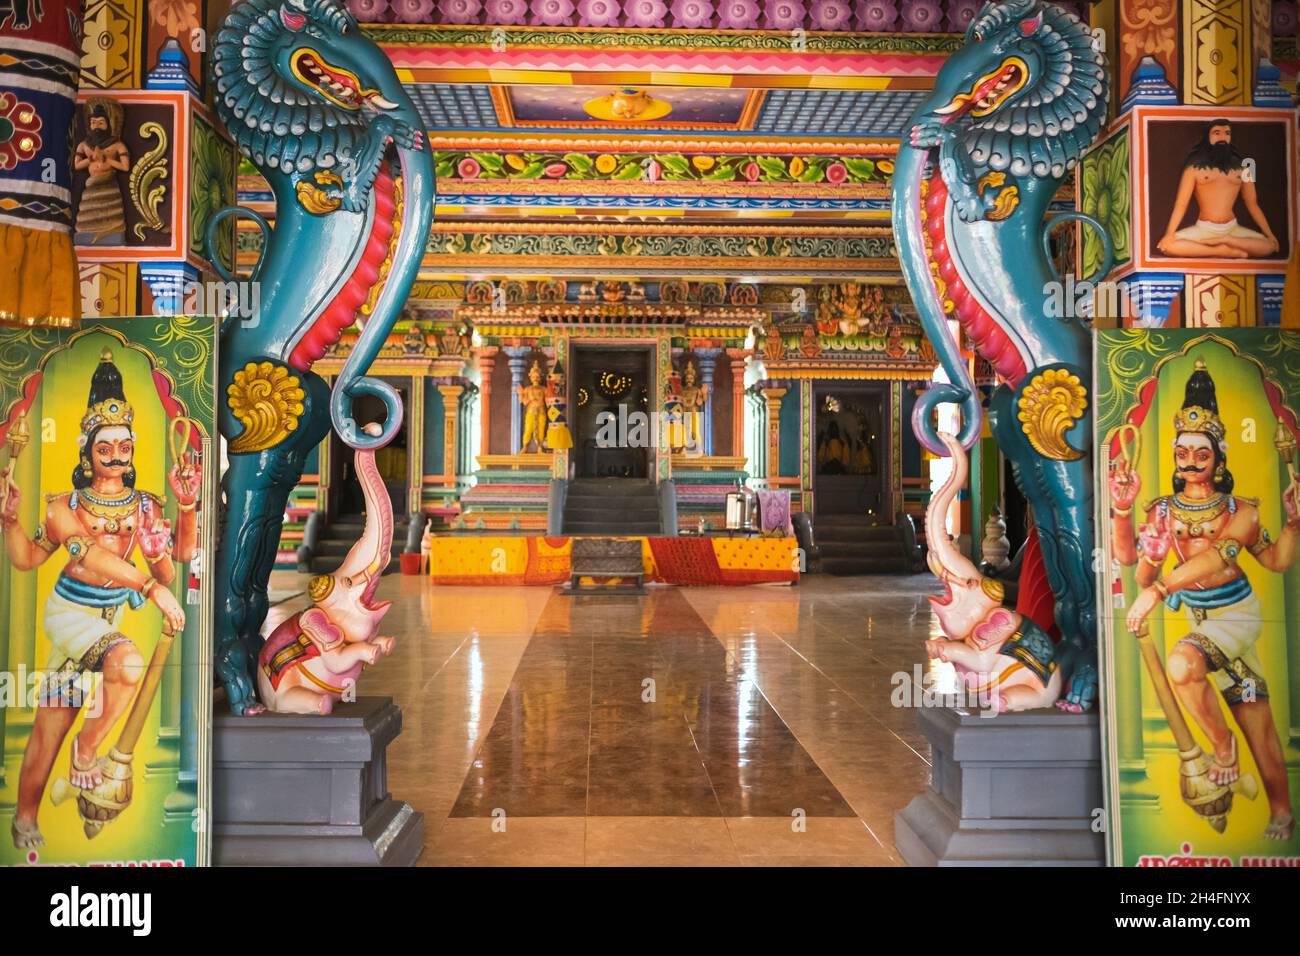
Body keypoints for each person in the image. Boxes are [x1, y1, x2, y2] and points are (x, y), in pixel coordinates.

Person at [1, 349, 198, 849]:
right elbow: (40, 558)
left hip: (105, 619)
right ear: (85, 451)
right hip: (69, 613)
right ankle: (86, 753)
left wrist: (188, 509)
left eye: (123, 445)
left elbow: (173, 563)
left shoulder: (146, 505)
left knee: (50, 721)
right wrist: (8, 523)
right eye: (104, 446)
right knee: (128, 664)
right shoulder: (63, 508)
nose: (115, 455)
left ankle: (26, 816)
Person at [1113, 359, 1297, 840]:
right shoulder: (1163, 509)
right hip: (1202, 620)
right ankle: (1281, 808)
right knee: (1255, 711)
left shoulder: (1242, 511)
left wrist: (1294, 524)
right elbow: (1133, 559)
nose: (1191, 460)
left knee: (1181, 665)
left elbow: (1260, 560)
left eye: (1202, 451)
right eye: (1182, 451)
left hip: (1237, 616)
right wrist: (1123, 511)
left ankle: (1222, 749)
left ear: (1220, 457)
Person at [1157, 119, 1279, 259]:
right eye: (1217, 133)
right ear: (1207, 137)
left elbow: (1252, 203)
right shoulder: (1193, 169)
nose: (1223, 137)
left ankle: (1227, 241)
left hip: (1233, 229)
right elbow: (1181, 204)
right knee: (1168, 246)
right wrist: (1169, 233)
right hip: (1203, 229)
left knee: (1269, 246)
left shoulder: (1246, 166)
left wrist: (1269, 234)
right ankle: (1220, 251)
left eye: (1227, 133)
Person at [73, 102, 130, 245]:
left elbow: (125, 166)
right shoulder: (84, 145)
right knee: (88, 216)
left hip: (109, 184)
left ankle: (112, 232)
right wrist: (91, 159)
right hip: (91, 186)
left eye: (100, 122)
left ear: (108, 124)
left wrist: (108, 161)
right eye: (93, 123)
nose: (96, 126)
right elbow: (77, 165)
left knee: (111, 215)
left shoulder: (117, 145)